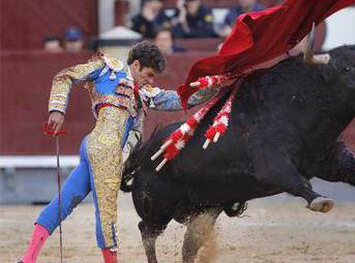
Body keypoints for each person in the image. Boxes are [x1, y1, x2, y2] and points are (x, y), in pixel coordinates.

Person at [18, 41, 218, 263]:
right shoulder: (106, 69)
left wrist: (215, 86)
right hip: (105, 151)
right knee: (106, 215)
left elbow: (180, 98)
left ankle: (26, 260)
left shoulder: (144, 94)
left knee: (62, 204)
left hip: (95, 149)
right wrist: (57, 109)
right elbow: (65, 76)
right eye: (149, 74)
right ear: (135, 65)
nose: (151, 81)